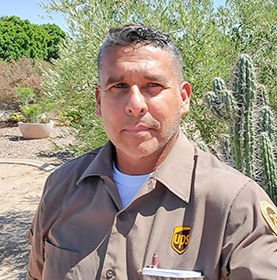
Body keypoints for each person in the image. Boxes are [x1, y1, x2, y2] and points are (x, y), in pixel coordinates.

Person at [27, 23, 277, 280]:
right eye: (119, 87)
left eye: (153, 85)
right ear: (99, 102)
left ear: (183, 98)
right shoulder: (61, 187)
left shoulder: (234, 204)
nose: (135, 105)